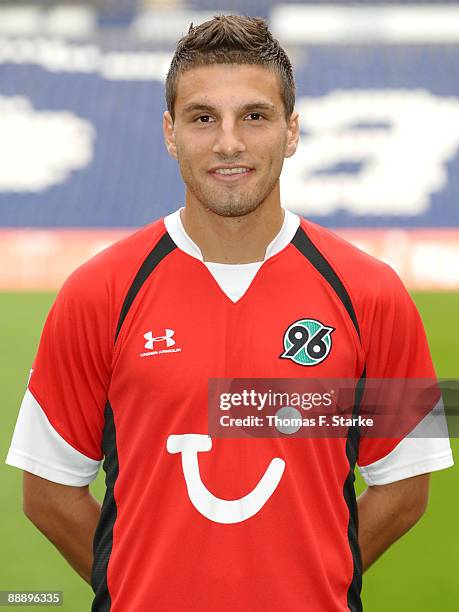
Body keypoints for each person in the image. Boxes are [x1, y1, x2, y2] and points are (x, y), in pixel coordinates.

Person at [5, 15, 453, 612]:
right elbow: (48, 491)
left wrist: (303, 584)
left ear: (291, 131)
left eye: (255, 116)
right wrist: (145, 586)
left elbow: (404, 486)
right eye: (202, 118)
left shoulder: (373, 294)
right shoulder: (97, 293)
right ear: (170, 132)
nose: (229, 144)